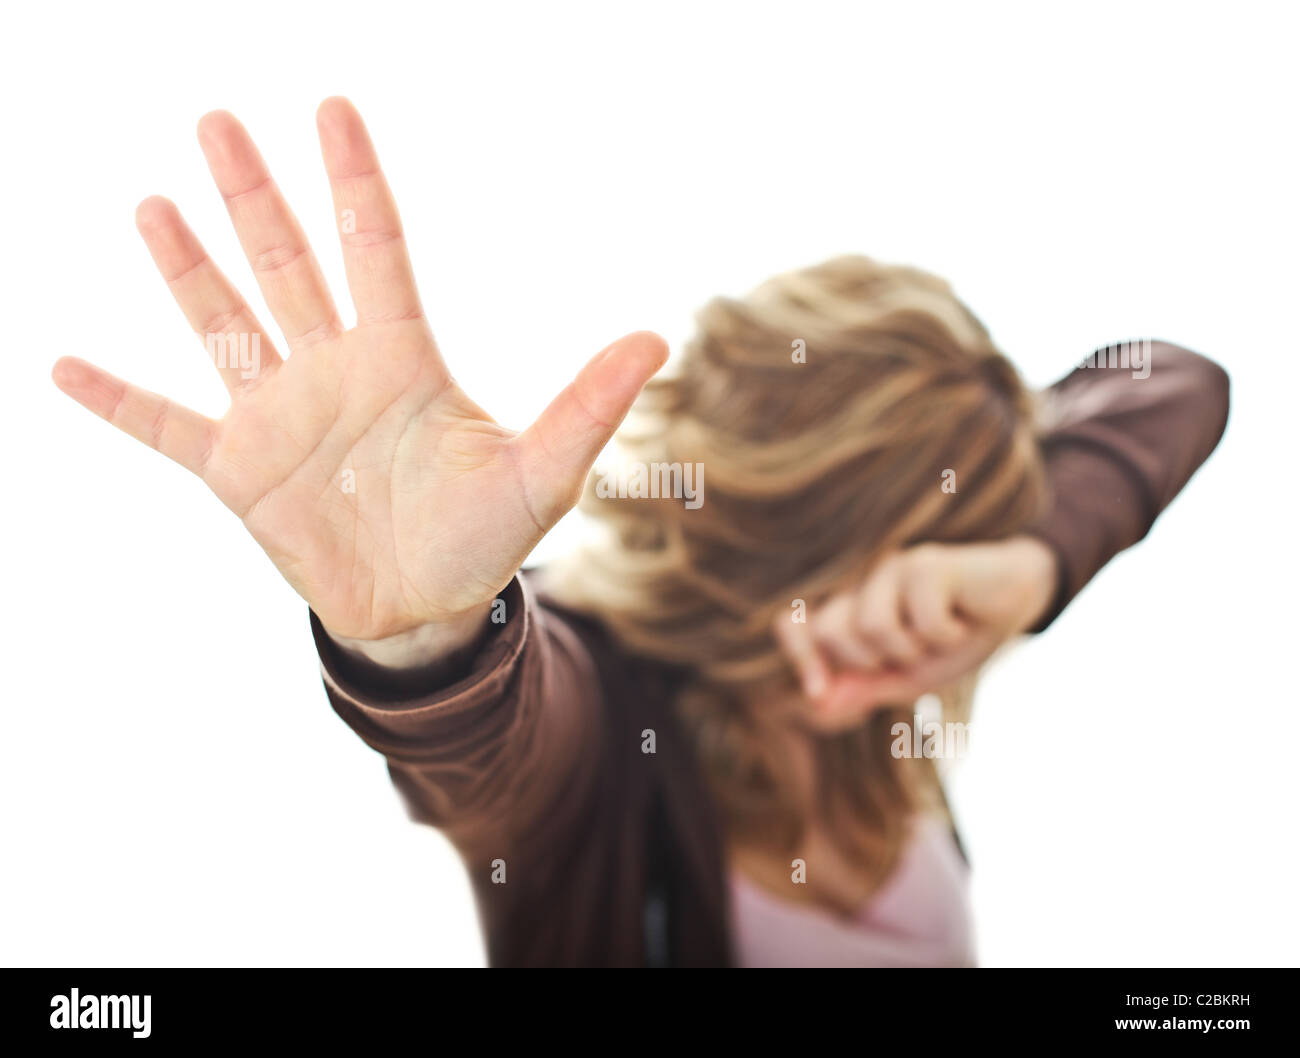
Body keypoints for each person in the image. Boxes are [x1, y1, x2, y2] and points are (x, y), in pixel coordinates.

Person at [52, 99, 1230, 967]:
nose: (883, 643)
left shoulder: (892, 714)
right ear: (756, 539)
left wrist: (1030, 562)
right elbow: (497, 742)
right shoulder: (604, 696)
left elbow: (1178, 381)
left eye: (923, 569)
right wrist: (428, 640)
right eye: (834, 567)